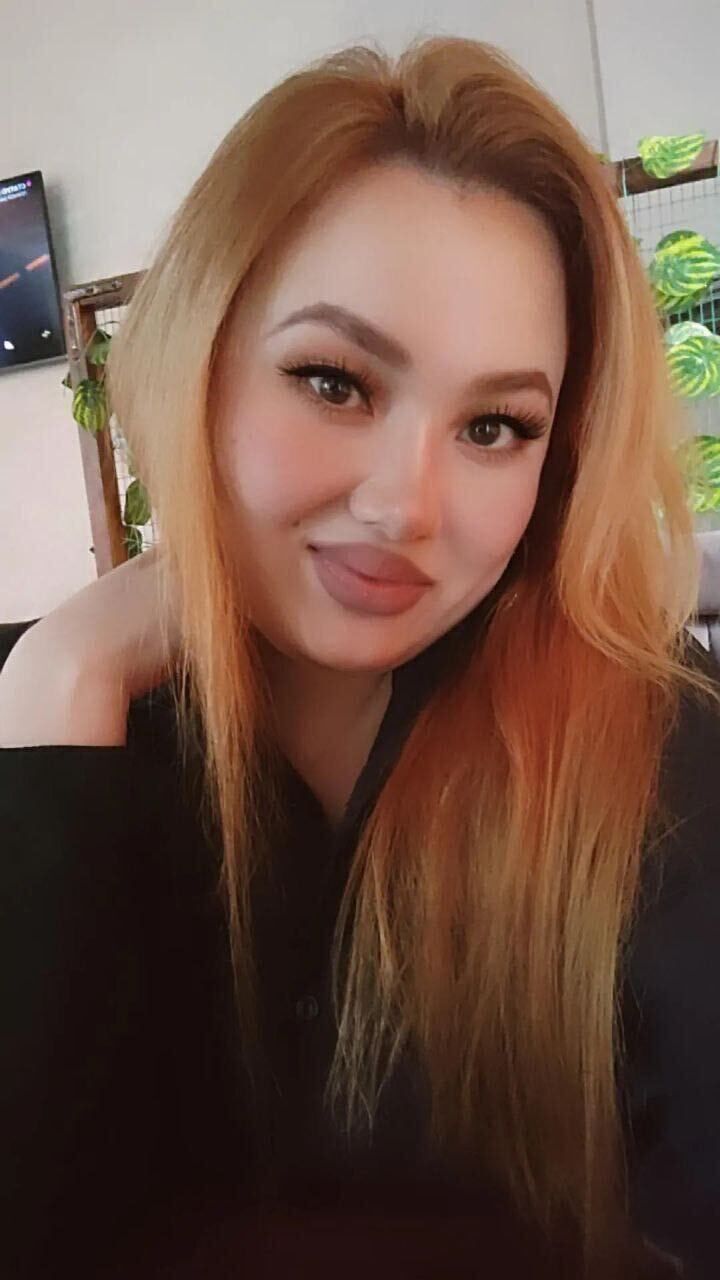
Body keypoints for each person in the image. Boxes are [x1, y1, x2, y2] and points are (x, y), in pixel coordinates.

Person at [1, 33, 719, 1280]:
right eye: (334, 381)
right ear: (197, 363)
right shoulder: (61, 721)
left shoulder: (660, 755)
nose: (406, 505)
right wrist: (58, 691)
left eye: (495, 425)